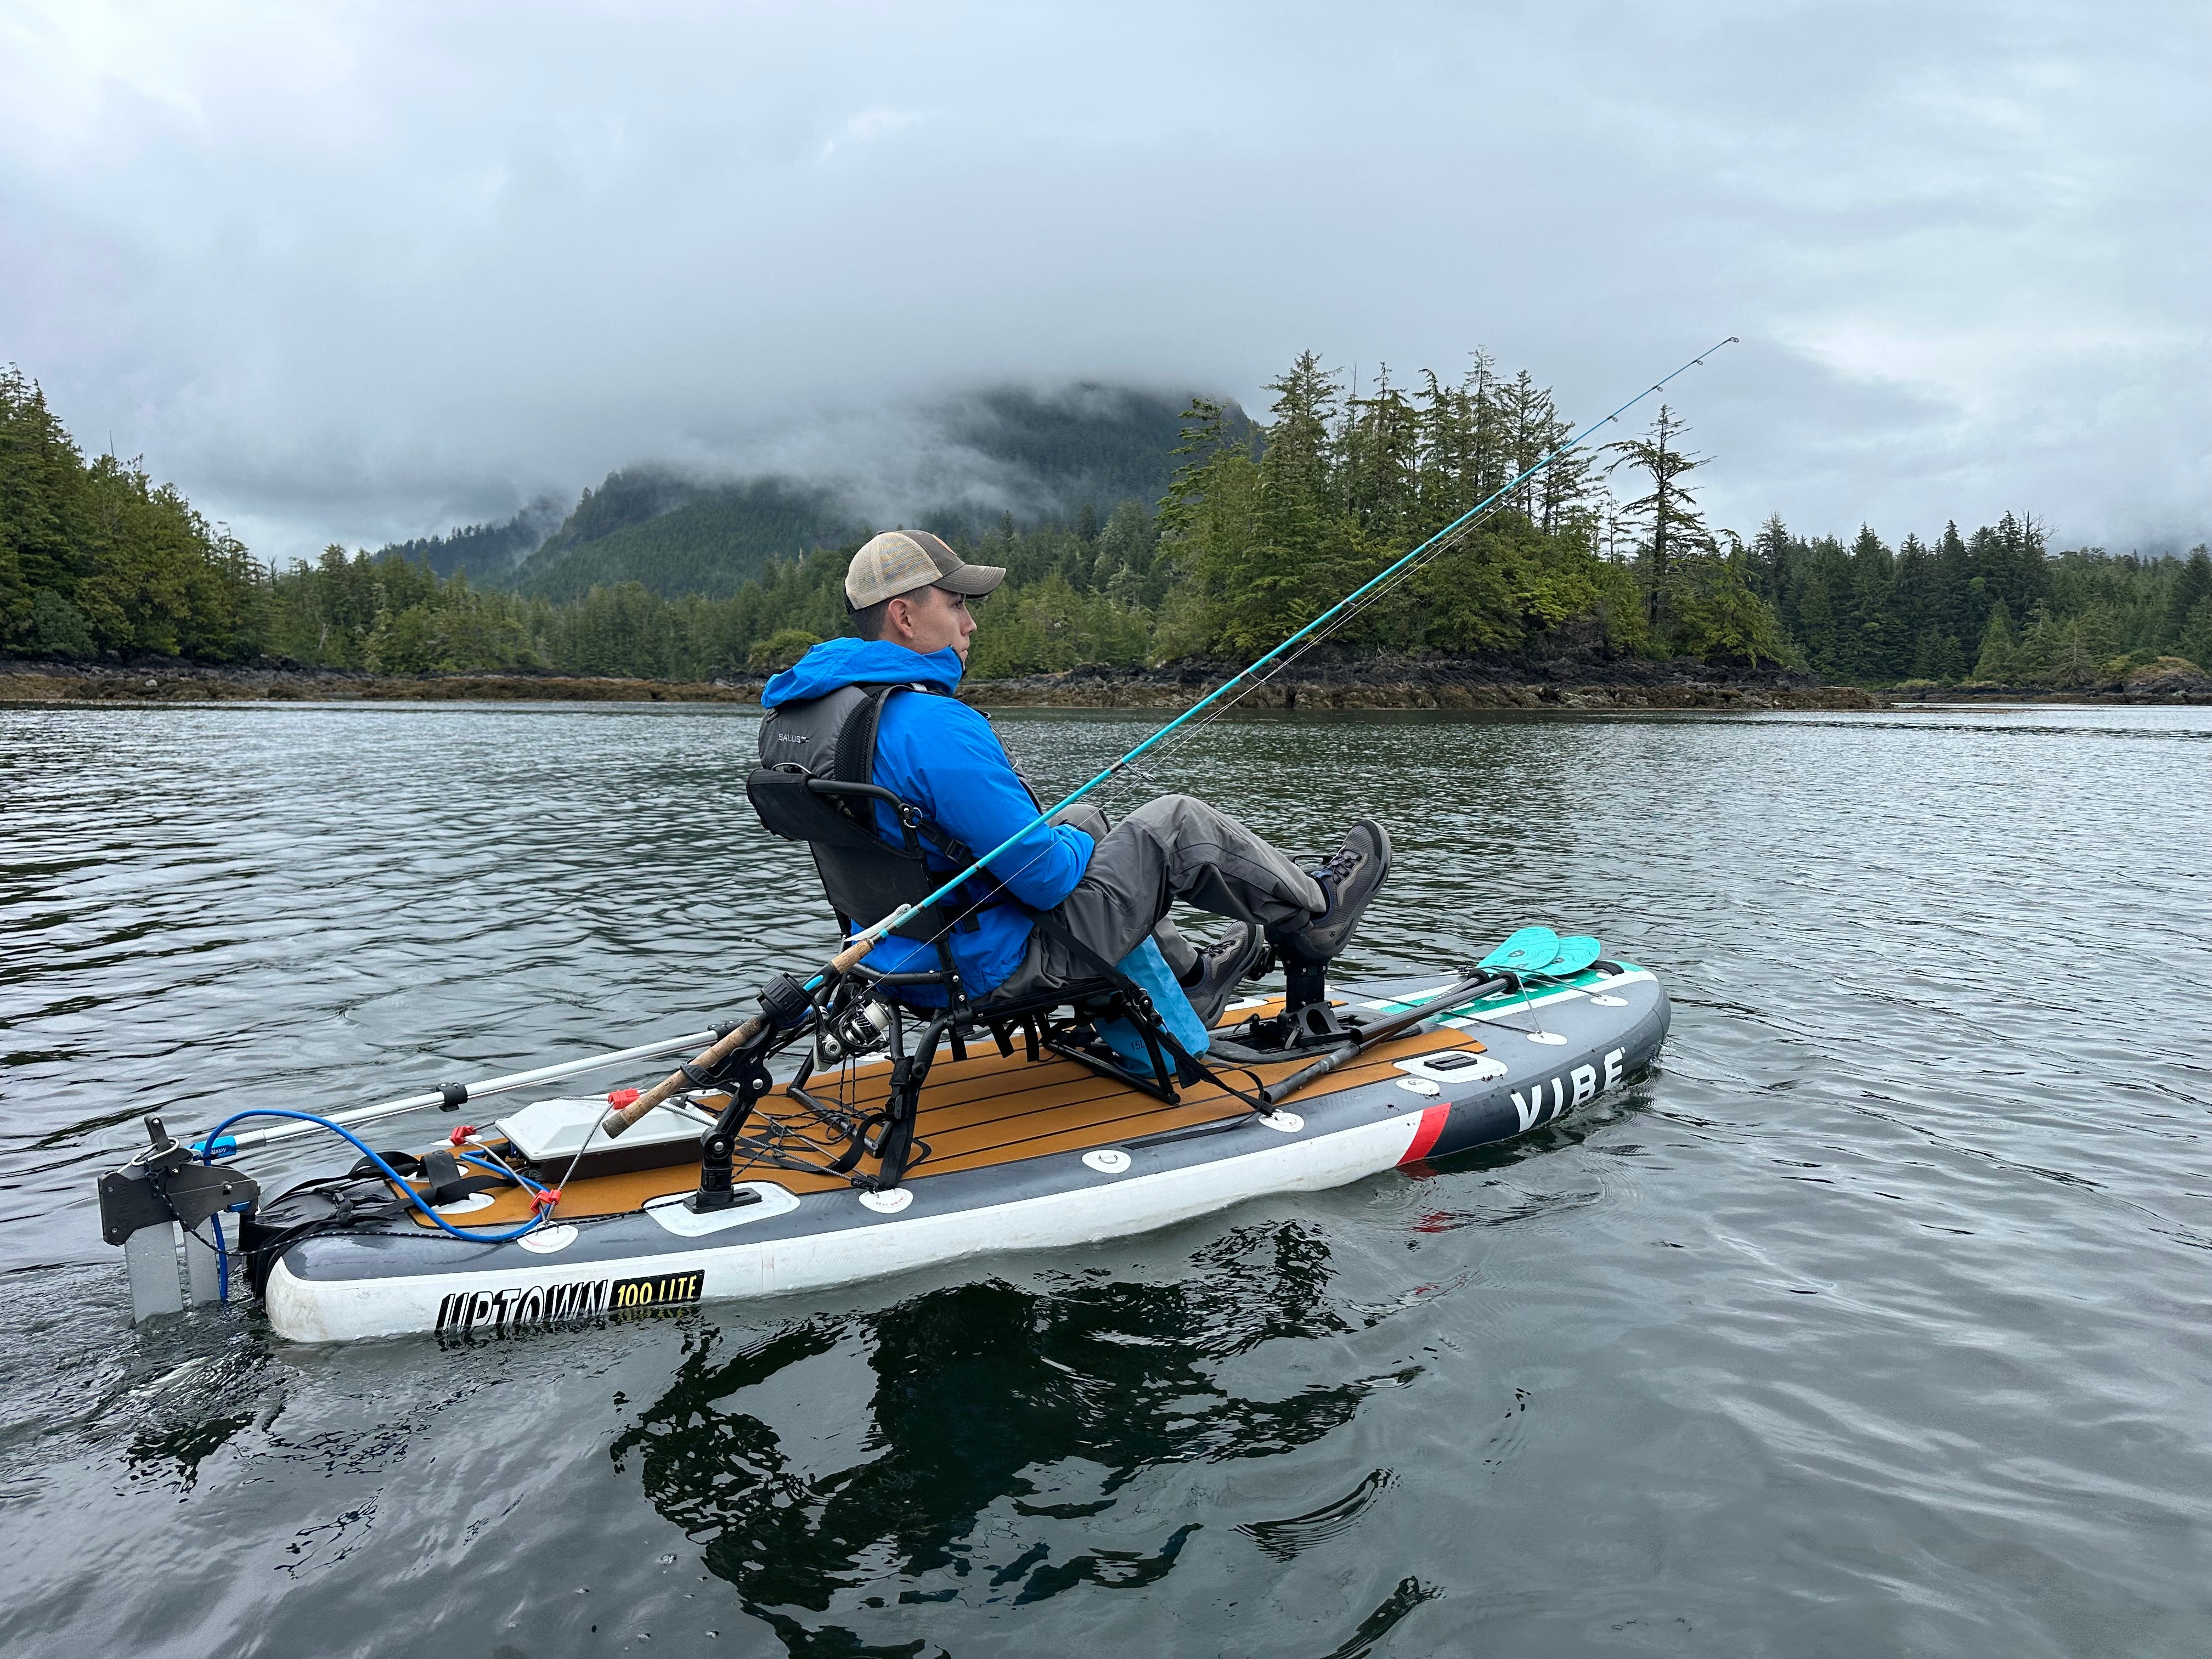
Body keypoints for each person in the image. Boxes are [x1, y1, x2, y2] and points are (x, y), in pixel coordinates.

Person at [756, 529, 1390, 1031]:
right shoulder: (930, 724)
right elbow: (1045, 877)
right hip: (991, 963)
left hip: (894, 957)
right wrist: (1079, 851)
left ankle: (1191, 980)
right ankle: (1315, 914)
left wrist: (1072, 838)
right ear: (905, 616)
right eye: (956, 606)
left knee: (1080, 819)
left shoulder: (800, 717)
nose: (971, 625)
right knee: (1172, 825)